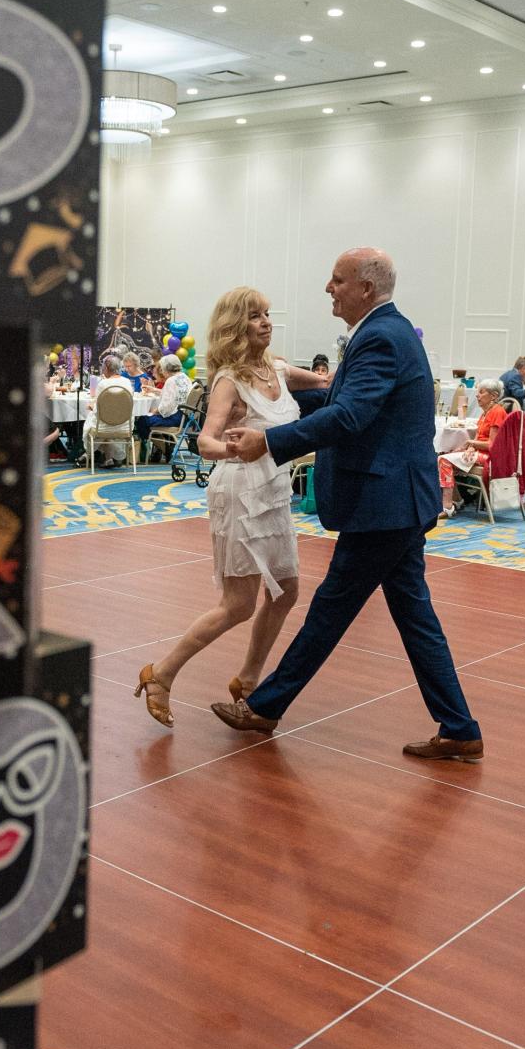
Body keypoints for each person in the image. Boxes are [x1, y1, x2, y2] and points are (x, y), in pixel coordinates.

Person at [210, 247, 482, 763]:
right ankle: (460, 727)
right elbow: (346, 404)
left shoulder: (378, 336)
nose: (328, 288)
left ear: (366, 288)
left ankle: (267, 706)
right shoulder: (390, 331)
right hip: (399, 501)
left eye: (337, 280)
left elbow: (351, 415)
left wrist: (270, 440)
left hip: (384, 505)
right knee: (414, 616)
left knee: (330, 611)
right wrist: (272, 400)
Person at [134, 287, 327, 729]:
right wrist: (232, 451)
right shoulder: (228, 380)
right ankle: (161, 674)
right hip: (239, 490)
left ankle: (248, 677)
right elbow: (204, 441)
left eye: (266, 314)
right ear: (235, 327)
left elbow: (322, 382)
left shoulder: (277, 368)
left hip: (274, 491)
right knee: (238, 603)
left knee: (287, 591)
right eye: (254, 316)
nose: (265, 321)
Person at [437, 377, 507, 518]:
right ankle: (457, 499)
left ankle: (448, 506)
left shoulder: (497, 413)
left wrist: (471, 444)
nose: (477, 395)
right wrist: (470, 447)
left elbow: (492, 445)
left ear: (493, 396)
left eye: (482, 392)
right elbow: (479, 437)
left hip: (491, 457)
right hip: (481, 452)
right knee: (446, 454)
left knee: (443, 460)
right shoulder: (486, 413)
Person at [133, 353, 192, 463]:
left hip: (174, 418)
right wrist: (155, 390)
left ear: (166, 368)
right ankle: (165, 445)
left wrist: (153, 411)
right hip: (185, 417)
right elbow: (176, 395)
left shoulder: (171, 381)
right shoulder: (185, 378)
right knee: (148, 418)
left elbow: (166, 408)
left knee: (142, 421)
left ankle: (164, 448)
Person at [81, 355, 133, 467]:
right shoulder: (127, 382)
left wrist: (91, 407)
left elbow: (97, 410)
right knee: (107, 420)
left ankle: (87, 454)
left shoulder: (103, 384)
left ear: (107, 367)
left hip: (103, 427)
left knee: (91, 420)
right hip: (123, 426)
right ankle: (108, 458)